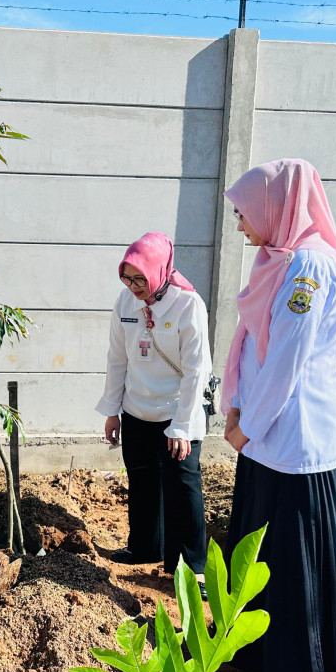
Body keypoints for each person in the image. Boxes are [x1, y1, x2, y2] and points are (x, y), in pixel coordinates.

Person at [220, 158, 336, 672]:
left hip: (294, 443)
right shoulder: (276, 260)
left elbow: (287, 364)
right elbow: (250, 346)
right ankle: (258, 657)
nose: (240, 224)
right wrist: (235, 408)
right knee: (258, 554)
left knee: (293, 568)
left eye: (244, 213)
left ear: (275, 208)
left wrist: (247, 425)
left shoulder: (307, 267)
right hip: (264, 440)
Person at [96, 232, 212, 591]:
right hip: (136, 410)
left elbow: (198, 370)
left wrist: (181, 426)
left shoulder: (188, 305)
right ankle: (144, 548)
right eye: (126, 278)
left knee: (182, 489)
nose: (133, 287)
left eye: (140, 278)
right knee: (142, 482)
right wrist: (112, 410)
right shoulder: (125, 303)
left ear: (159, 271)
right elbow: (118, 359)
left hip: (177, 413)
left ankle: (191, 568)